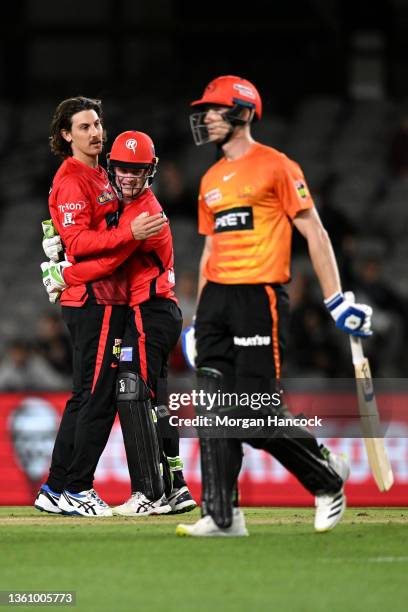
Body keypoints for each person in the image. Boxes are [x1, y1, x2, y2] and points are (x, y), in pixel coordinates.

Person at [176, 75, 373, 537]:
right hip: (218, 302)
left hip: (258, 295)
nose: (205, 117)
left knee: (254, 416)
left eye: (214, 109)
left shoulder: (277, 166)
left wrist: (335, 298)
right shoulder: (209, 179)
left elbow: (316, 232)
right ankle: (223, 517)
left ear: (242, 112)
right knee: (212, 411)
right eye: (204, 110)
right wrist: (199, 317)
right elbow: (210, 252)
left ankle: (326, 481)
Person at [41, 130, 196, 516]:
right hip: (150, 311)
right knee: (151, 401)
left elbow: (110, 261)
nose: (128, 177)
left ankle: (150, 493)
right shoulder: (125, 208)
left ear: (150, 172)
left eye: (137, 170)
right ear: (112, 167)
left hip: (150, 310)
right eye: (123, 169)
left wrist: (65, 275)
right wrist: (61, 245)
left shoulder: (144, 213)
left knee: (132, 393)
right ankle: (174, 487)